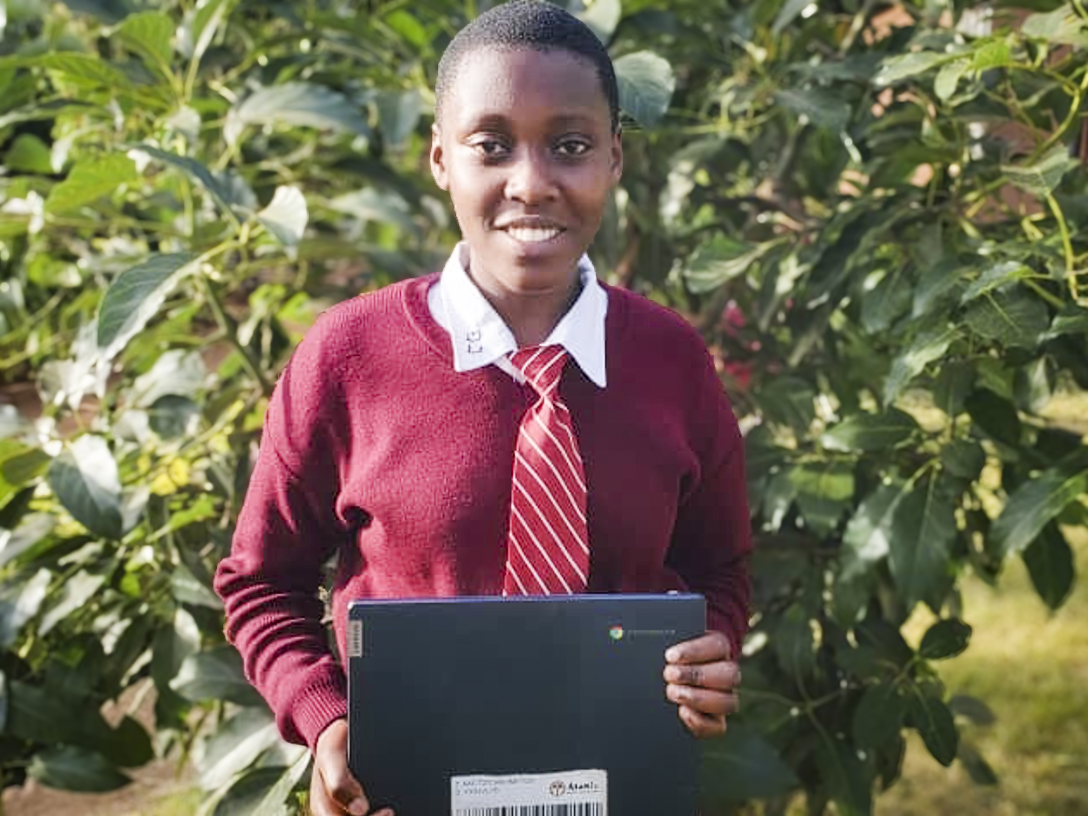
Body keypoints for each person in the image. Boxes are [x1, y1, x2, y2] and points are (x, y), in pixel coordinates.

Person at [213, 2, 753, 814]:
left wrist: (712, 650)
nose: (531, 183)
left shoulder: (672, 360)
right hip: (406, 794)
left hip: (618, 790)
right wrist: (326, 721)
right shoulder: (346, 356)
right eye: (491, 146)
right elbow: (262, 582)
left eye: (570, 146)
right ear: (440, 158)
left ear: (614, 156)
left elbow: (721, 567)